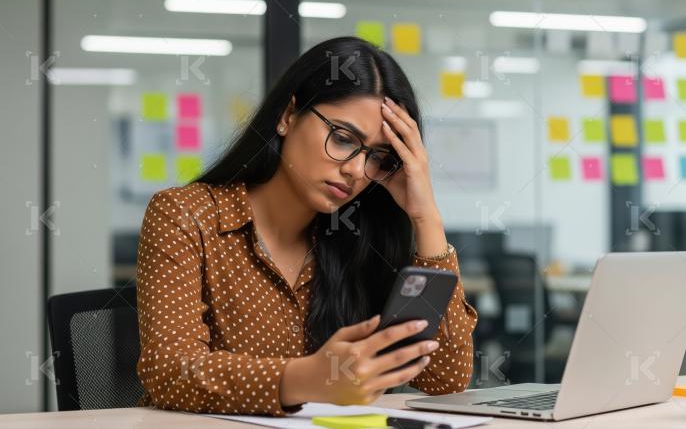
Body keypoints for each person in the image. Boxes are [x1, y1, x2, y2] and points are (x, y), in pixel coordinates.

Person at [135, 36, 478, 416]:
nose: (355, 170)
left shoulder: (359, 237)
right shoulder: (186, 214)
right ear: (287, 115)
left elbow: (446, 378)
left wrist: (426, 216)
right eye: (344, 138)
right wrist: (307, 378)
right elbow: (169, 371)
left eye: (378, 157)